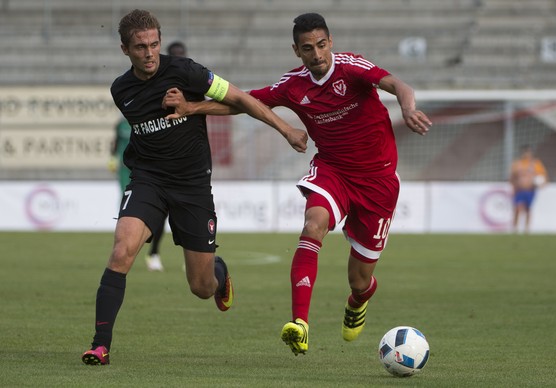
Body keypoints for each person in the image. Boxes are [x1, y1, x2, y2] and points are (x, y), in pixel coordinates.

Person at [162, 12, 432, 356]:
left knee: (359, 280)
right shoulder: (293, 85)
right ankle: (300, 324)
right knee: (312, 225)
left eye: (321, 45)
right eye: (308, 48)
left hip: (378, 182)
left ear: (330, 42)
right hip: (333, 171)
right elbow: (244, 103)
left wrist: (408, 108)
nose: (317, 54)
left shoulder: (351, 68)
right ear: (297, 51)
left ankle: (357, 301)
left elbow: (399, 86)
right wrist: (191, 106)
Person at [81, 9, 308, 366]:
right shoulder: (120, 90)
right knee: (122, 250)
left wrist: (286, 129)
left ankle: (220, 271)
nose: (150, 53)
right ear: (125, 49)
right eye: (141, 47)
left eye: (154, 44)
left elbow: (241, 99)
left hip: (191, 186)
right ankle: (100, 344)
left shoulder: (185, 71)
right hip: (149, 180)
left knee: (202, 288)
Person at [107, 41, 189, 272]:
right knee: (156, 216)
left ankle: (191, 259)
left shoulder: (189, 83)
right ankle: (152, 253)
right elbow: (118, 140)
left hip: (184, 167)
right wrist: (113, 158)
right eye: (176, 55)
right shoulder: (136, 107)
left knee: (185, 217)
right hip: (142, 170)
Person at [509, 145, 548, 233]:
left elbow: (543, 175)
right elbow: (512, 176)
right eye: (525, 152)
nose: (527, 154)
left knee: (528, 209)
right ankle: (515, 229)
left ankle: (527, 229)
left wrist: (542, 183)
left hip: (530, 190)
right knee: (517, 208)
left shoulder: (535, 164)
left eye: (528, 152)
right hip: (519, 190)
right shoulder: (517, 164)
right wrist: (513, 186)